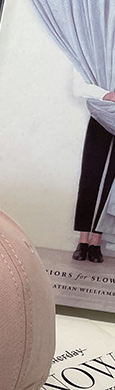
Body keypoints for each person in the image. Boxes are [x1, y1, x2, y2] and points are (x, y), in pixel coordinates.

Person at [72, 73, 115, 264]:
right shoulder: (98, 57)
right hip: (101, 113)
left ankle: (96, 241)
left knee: (112, 182)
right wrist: (107, 95)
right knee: (90, 175)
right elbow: (78, 86)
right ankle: (83, 240)